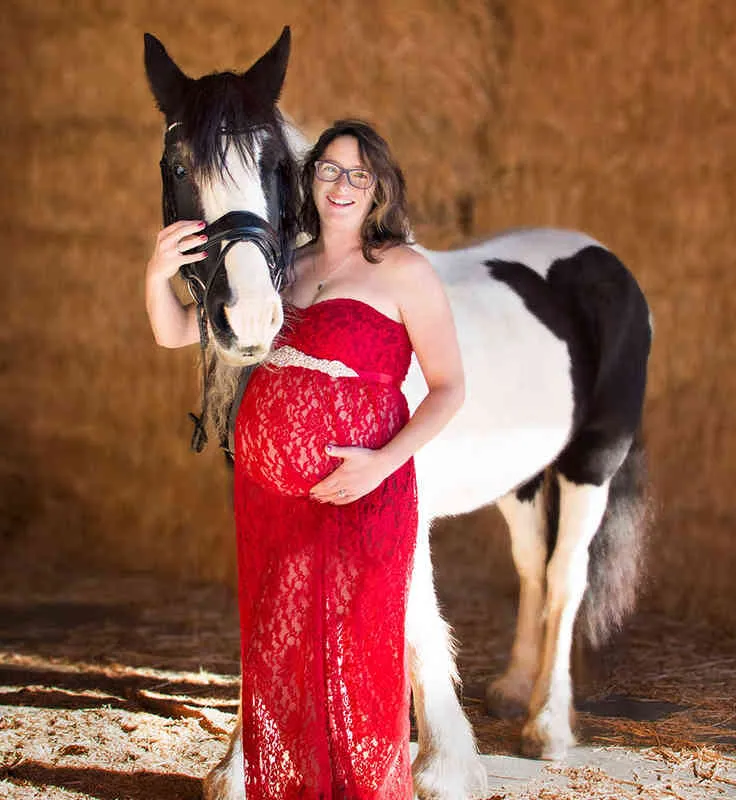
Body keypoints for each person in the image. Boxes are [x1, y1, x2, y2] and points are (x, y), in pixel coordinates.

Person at [145, 119, 464, 799]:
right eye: (328, 170)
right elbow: (175, 331)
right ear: (307, 179)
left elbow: (449, 389)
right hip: (270, 502)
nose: (341, 185)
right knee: (280, 658)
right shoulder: (282, 263)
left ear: (378, 186)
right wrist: (157, 272)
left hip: (364, 495)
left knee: (359, 661)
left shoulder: (403, 269)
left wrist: (379, 464)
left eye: (358, 174)